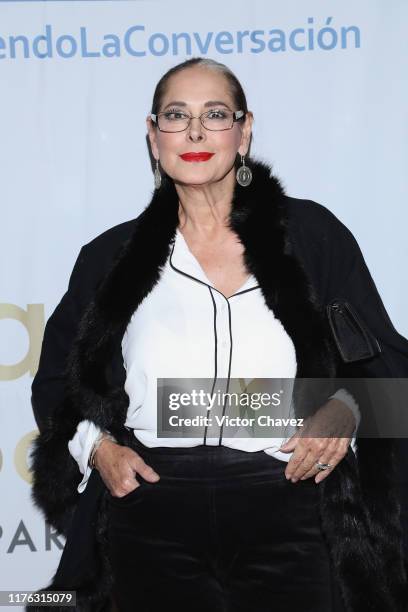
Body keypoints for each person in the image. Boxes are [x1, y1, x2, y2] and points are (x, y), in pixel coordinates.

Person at [29, 57, 408, 612]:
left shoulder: (312, 237)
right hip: (150, 514)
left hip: (294, 508)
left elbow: (387, 370)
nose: (197, 131)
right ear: (154, 135)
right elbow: (59, 381)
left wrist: (348, 409)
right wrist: (97, 447)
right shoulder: (110, 258)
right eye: (177, 115)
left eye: (216, 114)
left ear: (244, 129)